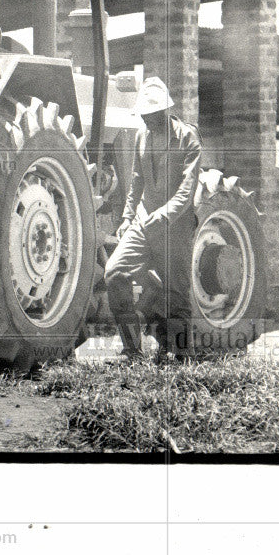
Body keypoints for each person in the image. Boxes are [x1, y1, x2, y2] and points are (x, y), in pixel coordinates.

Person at [104, 76, 202, 360]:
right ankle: (132, 350)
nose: (148, 121)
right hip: (144, 221)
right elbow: (137, 181)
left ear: (165, 111)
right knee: (114, 273)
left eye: (153, 116)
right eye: (144, 116)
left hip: (176, 225)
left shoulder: (188, 137)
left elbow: (188, 189)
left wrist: (165, 214)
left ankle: (182, 355)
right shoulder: (140, 135)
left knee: (177, 291)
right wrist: (126, 218)